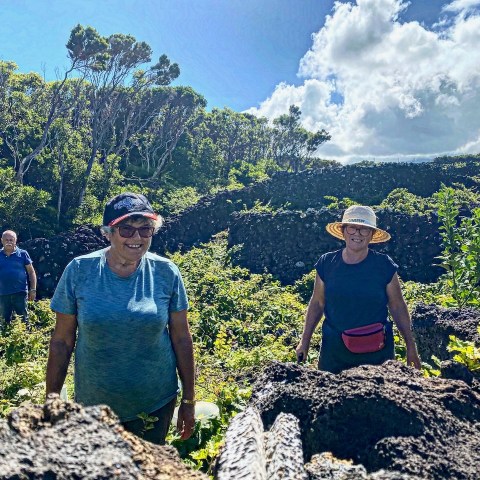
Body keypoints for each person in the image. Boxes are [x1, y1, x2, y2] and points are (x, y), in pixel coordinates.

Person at [46, 192, 195, 444]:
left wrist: (189, 400)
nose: (136, 237)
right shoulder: (79, 271)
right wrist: (52, 399)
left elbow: (181, 338)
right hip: (94, 407)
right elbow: (62, 341)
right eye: (126, 229)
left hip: (155, 405)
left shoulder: (166, 272)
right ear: (108, 233)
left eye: (145, 229)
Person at [295, 205, 421, 374]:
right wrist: (305, 341)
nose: (357, 233)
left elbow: (397, 306)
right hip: (334, 353)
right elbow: (317, 303)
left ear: (372, 235)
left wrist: (411, 347)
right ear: (344, 231)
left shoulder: (384, 266)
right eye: (353, 227)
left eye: (364, 230)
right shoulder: (326, 263)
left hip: (377, 353)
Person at [0, 230, 37, 328]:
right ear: (2, 241)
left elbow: (31, 272)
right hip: (3, 294)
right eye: (6, 240)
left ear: (15, 241)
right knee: (4, 322)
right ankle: (6, 341)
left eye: (11, 240)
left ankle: (26, 341)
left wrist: (33, 289)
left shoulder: (23, 254)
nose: (9, 242)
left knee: (23, 320)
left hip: (20, 293)